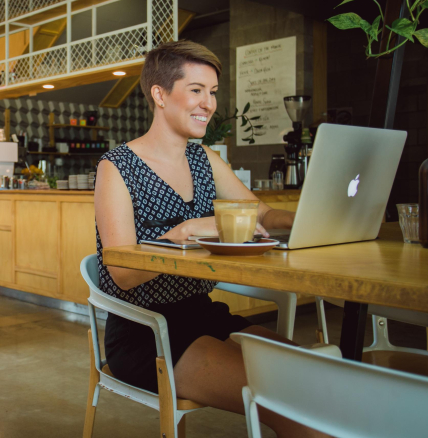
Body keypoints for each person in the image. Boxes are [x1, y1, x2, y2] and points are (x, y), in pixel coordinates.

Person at [94, 40, 324, 437]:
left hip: (204, 313)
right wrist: (183, 232)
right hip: (145, 331)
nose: (209, 103)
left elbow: (262, 214)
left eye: (213, 92)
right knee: (291, 400)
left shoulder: (206, 160)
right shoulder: (117, 168)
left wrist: (315, 219)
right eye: (196, 90)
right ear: (160, 95)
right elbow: (122, 274)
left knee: (319, 378)